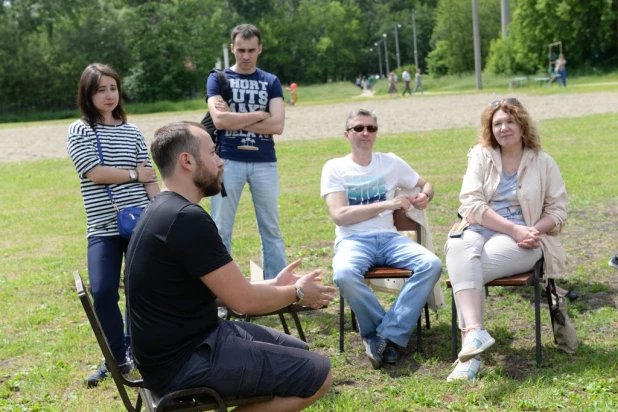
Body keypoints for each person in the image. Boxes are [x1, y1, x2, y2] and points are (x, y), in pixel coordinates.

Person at [126, 121, 336, 411]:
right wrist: (298, 293)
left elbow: (225, 290)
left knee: (298, 351)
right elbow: (244, 302)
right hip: (184, 362)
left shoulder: (163, 209)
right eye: (213, 153)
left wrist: (277, 285)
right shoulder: (186, 218)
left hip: (182, 348)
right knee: (318, 373)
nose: (221, 162)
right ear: (186, 161)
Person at [445, 98, 569, 382]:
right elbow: (470, 203)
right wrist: (512, 229)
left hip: (527, 240)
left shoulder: (543, 162)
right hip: (482, 228)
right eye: (497, 123)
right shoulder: (480, 155)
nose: (503, 128)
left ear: (523, 125)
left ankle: (470, 360)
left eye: (510, 121)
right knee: (457, 245)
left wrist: (531, 230)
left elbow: (559, 210)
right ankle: (475, 333)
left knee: (465, 270)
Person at [320, 109, 442, 369]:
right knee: (344, 274)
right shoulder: (335, 167)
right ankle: (386, 335)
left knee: (431, 264)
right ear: (347, 134)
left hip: (389, 239)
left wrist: (426, 196)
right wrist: (387, 203)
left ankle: (385, 335)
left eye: (371, 128)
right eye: (358, 128)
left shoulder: (391, 162)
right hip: (353, 241)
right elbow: (340, 215)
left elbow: (426, 184)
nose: (365, 133)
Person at [66, 63, 159, 387]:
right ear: (88, 95)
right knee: (103, 291)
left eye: (112, 88)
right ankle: (116, 359)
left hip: (140, 223)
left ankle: (137, 351)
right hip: (103, 227)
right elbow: (94, 173)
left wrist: (160, 211)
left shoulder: (132, 132)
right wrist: (134, 175)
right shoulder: (80, 130)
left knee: (139, 290)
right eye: (100, 90)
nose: (108, 95)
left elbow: (151, 179)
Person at [207, 23, 286, 279]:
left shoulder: (271, 81)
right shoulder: (218, 79)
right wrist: (258, 115)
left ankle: (277, 286)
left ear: (260, 49)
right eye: (240, 49)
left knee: (271, 228)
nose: (245, 56)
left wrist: (235, 116)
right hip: (226, 161)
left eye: (251, 50)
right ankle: (222, 293)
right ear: (232, 48)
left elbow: (278, 125)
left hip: (264, 162)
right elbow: (219, 121)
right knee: (220, 230)